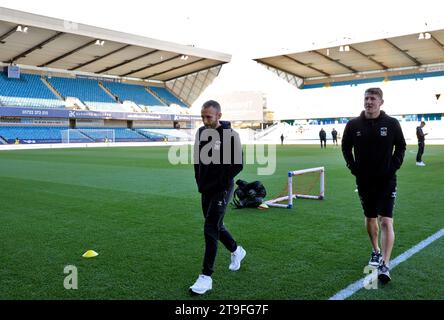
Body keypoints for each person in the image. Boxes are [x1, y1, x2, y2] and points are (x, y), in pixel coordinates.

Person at [342, 88, 406, 284]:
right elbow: (346, 147)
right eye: (366, 98)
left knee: (386, 221)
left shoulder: (392, 124)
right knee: (370, 219)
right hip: (364, 180)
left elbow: (401, 146)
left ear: (381, 102)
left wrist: (392, 167)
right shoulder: (353, 125)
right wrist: (353, 167)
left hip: (387, 180)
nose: (369, 102)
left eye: (373, 99)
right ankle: (376, 251)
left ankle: (385, 265)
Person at [190, 100, 245, 295]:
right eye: (202, 116)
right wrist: (200, 180)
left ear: (219, 116)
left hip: (222, 189)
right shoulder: (201, 132)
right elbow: (197, 158)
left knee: (210, 228)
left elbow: (238, 165)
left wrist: (220, 181)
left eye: (209, 117)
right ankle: (237, 250)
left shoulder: (231, 136)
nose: (205, 121)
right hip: (205, 188)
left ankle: (206, 277)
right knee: (216, 226)